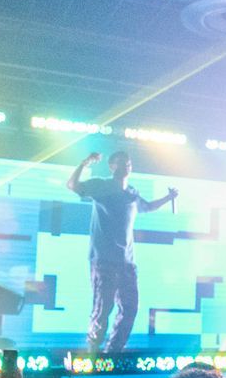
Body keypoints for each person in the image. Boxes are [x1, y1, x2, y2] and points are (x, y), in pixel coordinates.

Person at [67, 149, 178, 352]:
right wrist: (84, 164)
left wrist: (168, 197)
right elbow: (73, 185)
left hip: (126, 262)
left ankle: (114, 351)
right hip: (104, 260)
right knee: (103, 308)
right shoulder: (101, 186)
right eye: (121, 163)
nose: (126, 166)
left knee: (130, 308)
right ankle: (93, 350)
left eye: (128, 163)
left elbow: (147, 206)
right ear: (112, 166)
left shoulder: (131, 193)